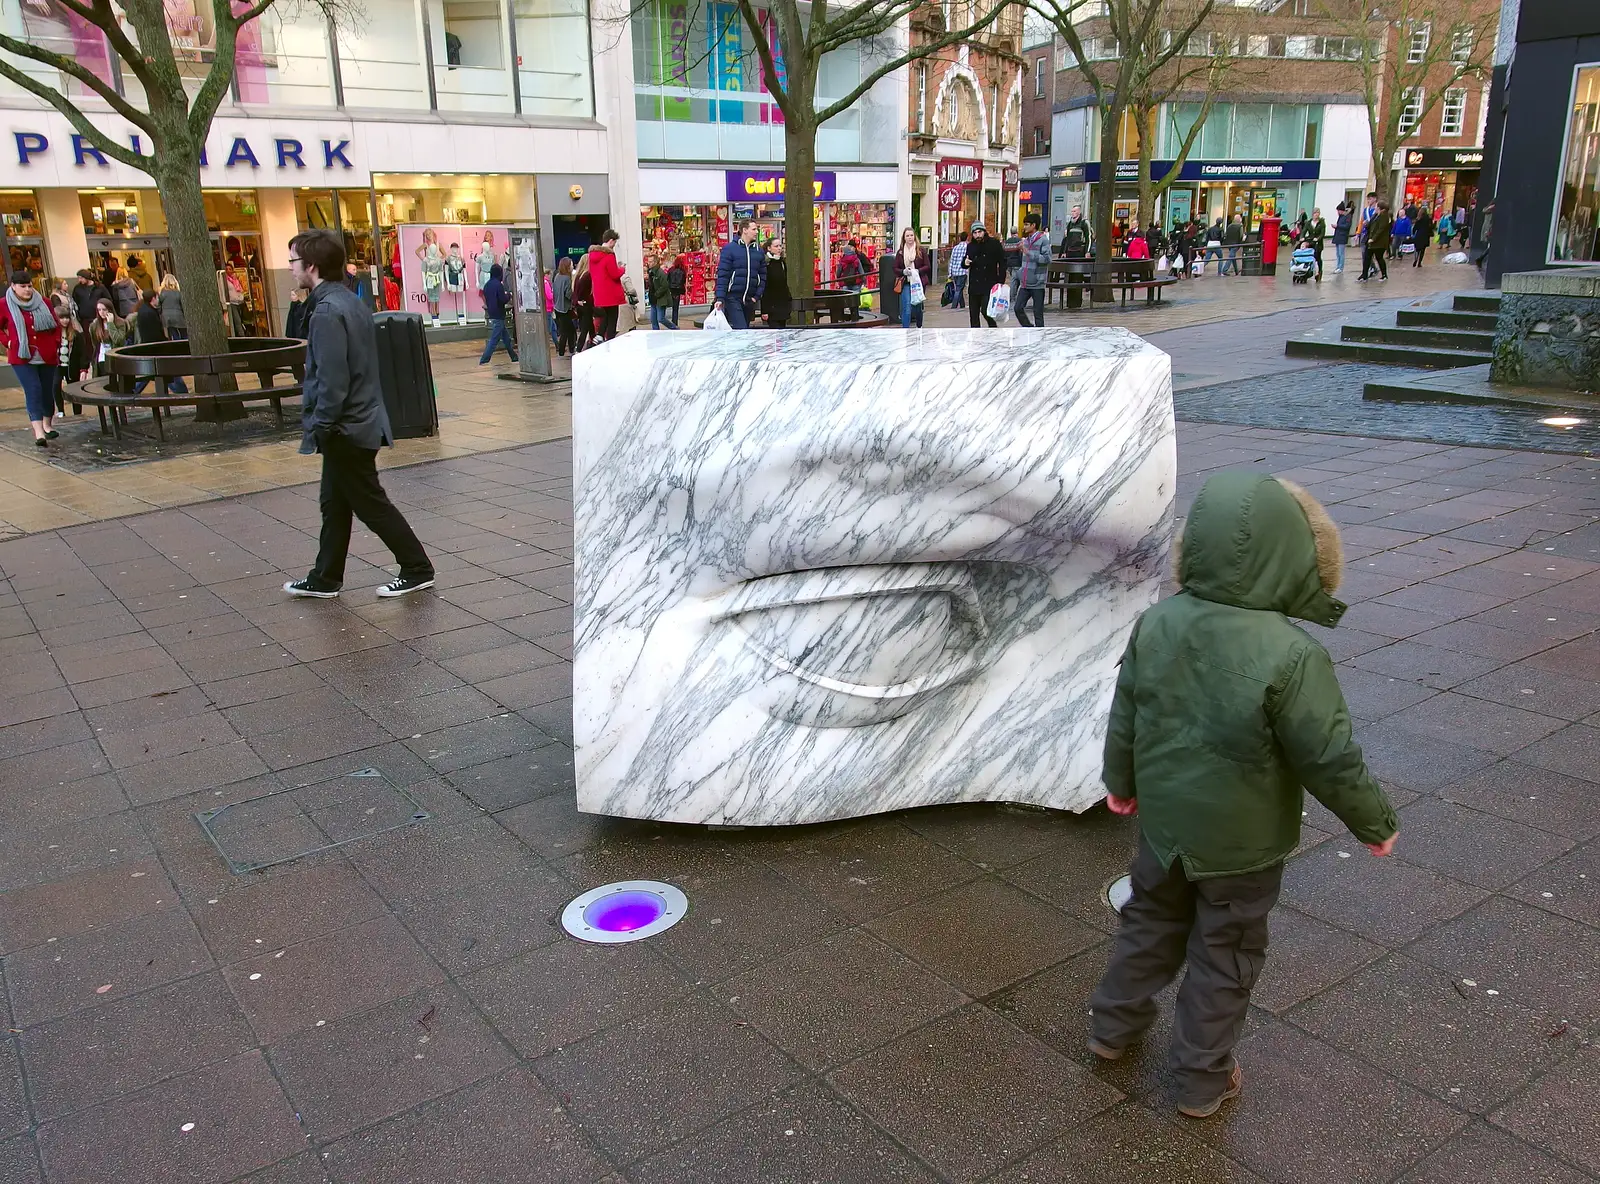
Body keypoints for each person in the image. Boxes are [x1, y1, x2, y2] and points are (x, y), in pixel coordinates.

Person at [1088, 469, 1399, 1120]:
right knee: (1224, 955)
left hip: (1165, 827)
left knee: (1149, 922)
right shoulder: (1291, 654)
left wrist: (1121, 782)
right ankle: (1201, 1080)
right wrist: (1372, 822)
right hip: (1242, 846)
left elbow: (1128, 711)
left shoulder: (1159, 623)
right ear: (1298, 560)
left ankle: (1112, 1029)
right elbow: (1329, 754)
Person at [281, 229, 434, 600]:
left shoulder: (327, 311)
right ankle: (325, 577)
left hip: (345, 427)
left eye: (293, 262)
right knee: (334, 503)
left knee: (368, 501)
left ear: (311, 266)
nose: (290, 269)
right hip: (358, 420)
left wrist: (323, 425)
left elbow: (331, 378)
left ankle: (416, 567)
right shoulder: (348, 302)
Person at [2, 269, 63, 447]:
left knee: (47, 390)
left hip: (46, 355)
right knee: (33, 389)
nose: (27, 290)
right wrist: (8, 342)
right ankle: (38, 432)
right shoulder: (4, 304)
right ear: (13, 286)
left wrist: (56, 343)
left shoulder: (43, 302)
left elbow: (56, 325)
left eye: (29, 286)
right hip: (21, 357)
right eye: (23, 286)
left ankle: (47, 424)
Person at [132, 288, 188, 395]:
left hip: (151, 347)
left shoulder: (144, 310)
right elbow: (155, 333)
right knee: (167, 371)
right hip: (155, 348)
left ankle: (134, 390)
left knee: (151, 373)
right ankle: (181, 391)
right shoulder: (149, 313)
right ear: (153, 298)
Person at [714, 219, 765, 330]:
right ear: (745, 230)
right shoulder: (730, 249)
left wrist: (756, 296)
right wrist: (720, 298)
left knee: (744, 329)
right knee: (741, 329)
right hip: (732, 297)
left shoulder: (758, 251)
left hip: (749, 298)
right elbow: (723, 274)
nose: (756, 232)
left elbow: (763, 275)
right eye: (754, 229)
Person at [586, 230, 627, 343]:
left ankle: (599, 336)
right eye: (614, 242)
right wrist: (622, 269)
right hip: (611, 292)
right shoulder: (609, 255)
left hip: (599, 292)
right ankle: (610, 341)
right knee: (613, 318)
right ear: (611, 241)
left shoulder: (592, 255)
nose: (614, 245)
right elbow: (614, 274)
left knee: (606, 316)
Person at [964, 221, 1006, 328]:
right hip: (974, 284)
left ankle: (993, 328)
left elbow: (1002, 262)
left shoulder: (994, 244)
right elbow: (966, 261)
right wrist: (965, 263)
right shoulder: (970, 246)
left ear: (984, 232)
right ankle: (975, 335)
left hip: (989, 283)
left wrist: (1001, 281)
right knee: (973, 315)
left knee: (986, 310)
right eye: (975, 233)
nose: (977, 235)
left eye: (980, 232)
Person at [1014, 213, 1051, 327]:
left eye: (1026, 224)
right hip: (1025, 283)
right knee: (1017, 308)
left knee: (1038, 314)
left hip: (1037, 282)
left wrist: (1028, 253)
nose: (1024, 227)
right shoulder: (1025, 241)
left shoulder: (1043, 240)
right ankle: (1029, 328)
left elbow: (1047, 259)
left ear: (1034, 225)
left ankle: (1040, 336)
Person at [478, 263, 516, 364]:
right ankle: (484, 360)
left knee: (506, 338)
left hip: (492, 313)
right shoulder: (498, 285)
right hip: (499, 314)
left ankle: (514, 356)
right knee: (494, 340)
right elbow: (502, 299)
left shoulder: (487, 285)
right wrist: (508, 295)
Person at [894, 227, 931, 328]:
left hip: (919, 282)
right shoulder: (900, 252)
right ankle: (905, 331)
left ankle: (919, 327)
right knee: (907, 307)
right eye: (907, 236)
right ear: (904, 238)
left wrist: (917, 271)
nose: (910, 238)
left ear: (914, 237)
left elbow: (927, 266)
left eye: (911, 235)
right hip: (906, 282)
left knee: (917, 307)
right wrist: (903, 271)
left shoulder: (921, 250)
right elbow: (895, 268)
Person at [761, 238, 791, 328]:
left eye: (780, 246)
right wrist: (765, 310)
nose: (779, 248)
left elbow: (784, 283)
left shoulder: (782, 262)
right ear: (769, 248)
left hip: (783, 304)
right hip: (772, 306)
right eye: (776, 246)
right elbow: (765, 287)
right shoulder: (766, 263)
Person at [1358, 200, 1392, 282]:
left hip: (1379, 242)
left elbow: (1380, 229)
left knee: (1379, 258)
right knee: (1367, 257)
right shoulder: (1375, 215)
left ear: (1380, 208)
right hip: (1370, 241)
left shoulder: (1384, 216)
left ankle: (1384, 275)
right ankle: (1364, 275)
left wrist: (1373, 238)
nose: (1375, 208)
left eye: (1377, 206)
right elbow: (1370, 225)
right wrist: (1366, 224)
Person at [645, 252, 675, 330]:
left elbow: (664, 286)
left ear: (655, 262)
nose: (649, 263)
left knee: (661, 318)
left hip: (660, 299)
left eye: (651, 261)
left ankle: (674, 328)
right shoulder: (651, 272)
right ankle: (656, 334)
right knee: (653, 319)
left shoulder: (660, 272)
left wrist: (656, 294)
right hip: (653, 299)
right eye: (648, 261)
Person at [551, 257, 575, 355]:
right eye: (571, 264)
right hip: (565, 308)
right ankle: (563, 351)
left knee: (566, 330)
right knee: (568, 331)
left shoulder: (557, 276)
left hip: (557, 307)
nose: (573, 266)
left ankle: (570, 349)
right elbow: (568, 294)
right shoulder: (567, 278)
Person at [572, 254, 594, 351]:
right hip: (586, 305)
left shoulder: (577, 276)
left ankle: (594, 344)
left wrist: (576, 302)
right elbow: (583, 292)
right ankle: (579, 349)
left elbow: (575, 292)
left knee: (590, 328)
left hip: (580, 306)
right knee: (585, 329)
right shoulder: (587, 275)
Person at [158, 273, 187, 339]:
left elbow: (159, 306)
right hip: (178, 316)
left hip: (167, 317)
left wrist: (161, 314)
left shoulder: (162, 293)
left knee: (173, 334)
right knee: (184, 334)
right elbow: (182, 305)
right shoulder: (178, 292)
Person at [947, 231, 969, 308]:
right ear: (967, 238)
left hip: (955, 272)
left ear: (960, 238)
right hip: (963, 272)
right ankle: (954, 306)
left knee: (959, 288)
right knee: (959, 290)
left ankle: (962, 305)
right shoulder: (967, 247)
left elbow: (951, 261)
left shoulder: (955, 248)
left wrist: (950, 273)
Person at [1305, 207, 1327, 281]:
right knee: (1308, 256)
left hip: (1318, 243)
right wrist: (1302, 237)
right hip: (1310, 242)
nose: (1316, 215)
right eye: (1315, 213)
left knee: (1317, 257)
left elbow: (1322, 233)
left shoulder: (1321, 222)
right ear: (1313, 214)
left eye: (1317, 213)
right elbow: (1304, 231)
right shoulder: (1309, 222)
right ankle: (1308, 270)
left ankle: (1320, 271)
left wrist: (1318, 238)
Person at [1331, 203, 1352, 274]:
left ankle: (1340, 267)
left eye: (1338, 211)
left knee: (1341, 253)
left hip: (1342, 237)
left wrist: (1338, 226)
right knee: (1338, 253)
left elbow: (1347, 226)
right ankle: (1338, 266)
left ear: (1341, 210)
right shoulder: (1340, 216)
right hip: (1338, 236)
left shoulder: (1348, 216)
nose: (1337, 212)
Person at [665, 254, 686, 327]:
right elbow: (683, 280)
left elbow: (667, 279)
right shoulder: (682, 270)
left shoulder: (671, 269)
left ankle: (672, 322)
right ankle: (675, 323)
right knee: (676, 308)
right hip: (678, 291)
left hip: (671, 289)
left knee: (670, 307)